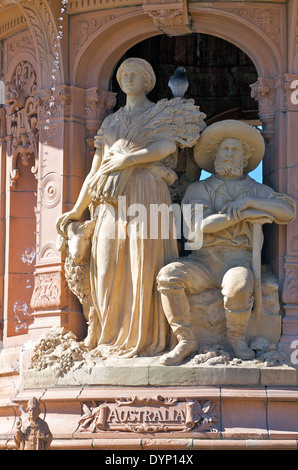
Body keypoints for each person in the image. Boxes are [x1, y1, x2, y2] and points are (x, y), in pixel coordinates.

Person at [56, 58, 206, 358]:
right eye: (123, 74)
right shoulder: (110, 122)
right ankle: (108, 336)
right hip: (109, 200)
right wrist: (78, 209)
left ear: (148, 80)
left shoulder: (158, 113)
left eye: (134, 73)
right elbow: (96, 170)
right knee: (106, 261)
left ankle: (147, 340)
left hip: (147, 192)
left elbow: (168, 146)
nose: (127, 78)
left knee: (144, 261)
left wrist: (131, 159)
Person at [157, 120, 296, 365]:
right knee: (169, 276)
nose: (229, 154)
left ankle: (236, 338)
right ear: (215, 155)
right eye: (225, 149)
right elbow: (199, 226)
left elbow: (287, 210)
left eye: (235, 150)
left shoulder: (256, 190)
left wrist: (250, 203)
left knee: (238, 287)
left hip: (238, 259)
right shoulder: (199, 189)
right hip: (203, 262)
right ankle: (185, 339)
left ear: (245, 158)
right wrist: (242, 216)